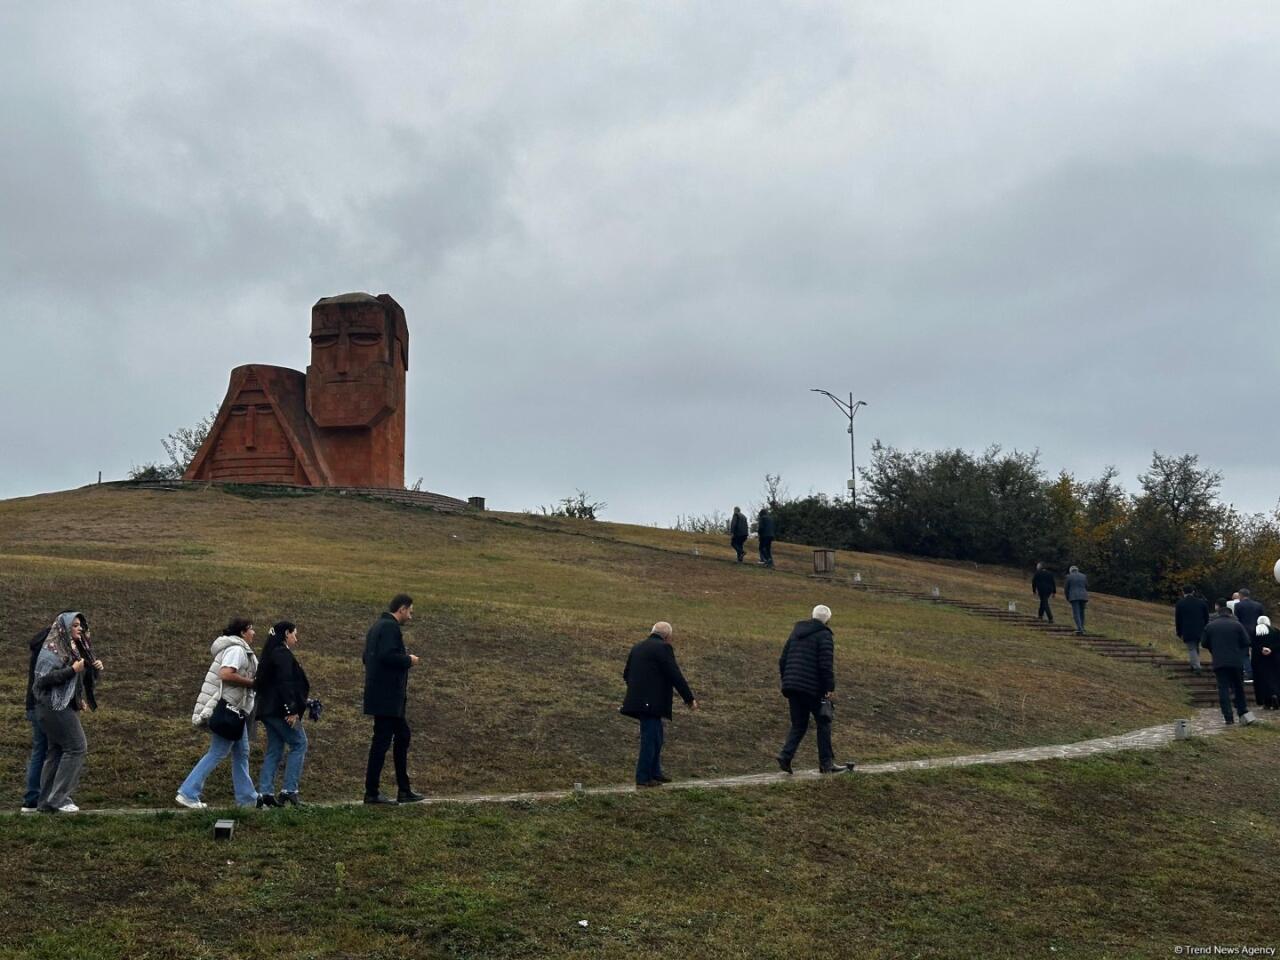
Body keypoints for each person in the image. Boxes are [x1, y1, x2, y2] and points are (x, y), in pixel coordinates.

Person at [176, 618, 260, 809]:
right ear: (242, 632)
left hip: (237, 710)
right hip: (230, 707)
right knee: (218, 751)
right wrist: (253, 683)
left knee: (241, 752)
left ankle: (247, 799)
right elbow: (226, 674)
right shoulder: (236, 649)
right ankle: (188, 792)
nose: (254, 633)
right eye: (251, 629)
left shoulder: (238, 648)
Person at [31, 611, 102, 813]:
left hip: (62, 706)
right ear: (64, 628)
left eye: (81, 625)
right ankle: (59, 799)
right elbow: (43, 681)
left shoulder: (75, 650)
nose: (80, 628)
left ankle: (45, 802)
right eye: (75, 625)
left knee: (56, 751)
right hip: (52, 707)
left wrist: (93, 669)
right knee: (77, 747)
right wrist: (73, 670)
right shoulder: (51, 650)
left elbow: (78, 680)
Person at [775, 605, 852, 774]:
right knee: (824, 722)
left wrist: (787, 679)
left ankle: (785, 756)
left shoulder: (796, 632)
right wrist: (829, 688)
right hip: (812, 689)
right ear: (828, 620)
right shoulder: (824, 635)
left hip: (792, 686)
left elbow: (783, 659)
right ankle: (826, 764)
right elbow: (825, 665)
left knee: (799, 724)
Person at [620, 621, 698, 787]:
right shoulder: (663, 648)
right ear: (667, 637)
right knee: (650, 739)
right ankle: (643, 777)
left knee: (657, 737)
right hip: (651, 703)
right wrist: (689, 699)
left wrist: (637, 690)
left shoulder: (637, 647)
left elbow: (626, 673)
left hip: (639, 701)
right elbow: (674, 674)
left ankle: (654, 772)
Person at [363, 594, 424, 805]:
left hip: (381, 695)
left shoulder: (376, 627)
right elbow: (387, 656)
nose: (411, 617)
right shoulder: (390, 628)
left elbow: (367, 658)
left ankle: (403, 789)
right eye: (410, 612)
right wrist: (409, 659)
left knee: (401, 736)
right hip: (388, 698)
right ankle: (372, 791)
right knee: (382, 742)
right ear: (402, 609)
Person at [255, 621, 311, 808]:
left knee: (275, 748)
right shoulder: (282, 653)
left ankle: (265, 793)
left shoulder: (270, 653)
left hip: (267, 709)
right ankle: (289, 790)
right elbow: (286, 682)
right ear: (286, 633)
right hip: (280, 710)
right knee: (299, 743)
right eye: (294, 633)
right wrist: (292, 709)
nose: (296, 638)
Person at [1200, 598, 1255, 726]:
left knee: (1223, 689)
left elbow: (1204, 643)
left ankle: (1228, 717)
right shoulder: (1237, 625)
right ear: (1230, 614)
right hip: (1236, 661)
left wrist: (1214, 649)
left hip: (1219, 661)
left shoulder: (1210, 626)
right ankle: (1242, 712)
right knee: (1238, 687)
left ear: (1219, 613)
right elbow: (1246, 642)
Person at [1174, 585, 1210, 674]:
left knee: (1191, 648)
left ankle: (1196, 666)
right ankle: (1194, 663)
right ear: (1193, 592)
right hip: (1200, 629)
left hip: (1187, 629)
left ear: (1183, 592)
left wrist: (1179, 631)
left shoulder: (1180, 603)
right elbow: (1206, 617)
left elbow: (1178, 619)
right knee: (1195, 646)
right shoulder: (1201, 603)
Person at [1232, 588, 1263, 682]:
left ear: (1241, 595)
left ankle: (1249, 672)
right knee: (1256, 652)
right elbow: (1261, 618)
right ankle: (1257, 672)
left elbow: (1237, 619)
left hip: (1243, 631)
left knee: (1244, 654)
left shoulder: (1238, 605)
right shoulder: (1258, 605)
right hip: (1256, 631)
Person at [1250, 615, 1280, 710]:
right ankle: (1275, 695)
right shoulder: (1275, 630)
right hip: (1273, 660)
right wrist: (1270, 649)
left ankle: (1266, 701)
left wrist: (1261, 649)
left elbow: (1251, 643)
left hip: (1259, 660)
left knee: (1261, 681)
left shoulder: (1254, 631)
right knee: (1274, 679)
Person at [1064, 565, 1089, 635]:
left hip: (1074, 596)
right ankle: (1082, 627)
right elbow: (1087, 586)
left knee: (1076, 613)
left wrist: (1067, 597)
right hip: (1083, 596)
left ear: (1070, 571)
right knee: (1082, 612)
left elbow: (1066, 588)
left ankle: (1079, 628)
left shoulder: (1068, 577)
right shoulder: (1084, 576)